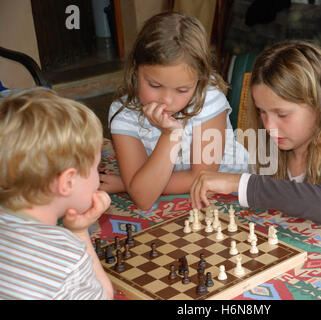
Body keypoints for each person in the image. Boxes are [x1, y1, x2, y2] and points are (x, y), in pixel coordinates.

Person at [190, 40, 321, 245]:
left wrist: (239, 182)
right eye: (262, 112)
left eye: (282, 114)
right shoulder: (275, 147)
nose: (269, 126)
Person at [101, 12, 248, 210]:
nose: (167, 100)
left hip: (233, 195)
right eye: (154, 84)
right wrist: (170, 135)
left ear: (200, 79)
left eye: (182, 90)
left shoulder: (208, 99)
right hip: (182, 201)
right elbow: (144, 198)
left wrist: (129, 184)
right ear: (136, 67)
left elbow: (202, 178)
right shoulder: (124, 113)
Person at [0, 89, 114, 299]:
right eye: (96, 168)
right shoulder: (67, 256)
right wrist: (80, 234)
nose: (97, 179)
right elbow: (105, 294)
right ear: (68, 181)